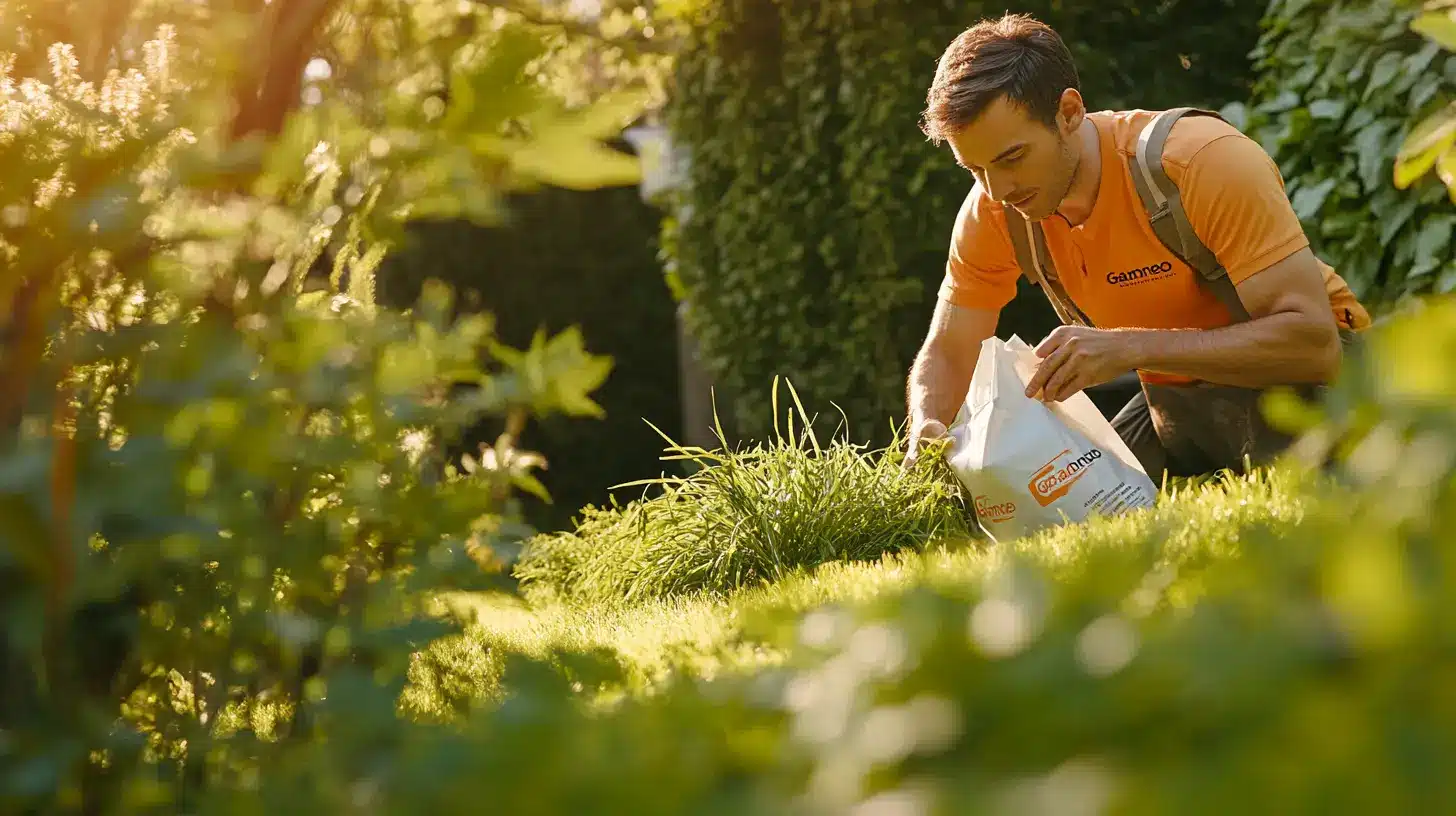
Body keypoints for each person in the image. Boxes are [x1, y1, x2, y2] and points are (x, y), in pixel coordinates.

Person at [902, 12, 1370, 482]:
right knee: (1048, 498)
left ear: (1069, 112)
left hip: (1319, 389)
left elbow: (1315, 346)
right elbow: (948, 351)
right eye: (975, 169)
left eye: (1012, 158)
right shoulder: (995, 210)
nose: (997, 188)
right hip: (1176, 405)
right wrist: (926, 427)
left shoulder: (1199, 162)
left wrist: (1129, 347)